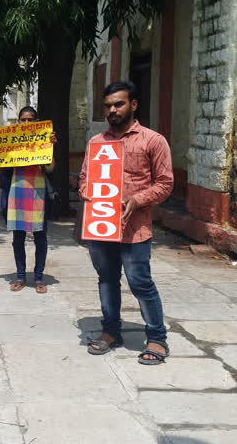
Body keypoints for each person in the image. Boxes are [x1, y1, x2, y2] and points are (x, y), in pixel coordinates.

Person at [79, 81, 173, 365]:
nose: (112, 110)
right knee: (107, 280)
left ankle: (157, 338)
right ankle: (111, 332)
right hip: (101, 227)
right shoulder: (96, 143)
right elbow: (84, 180)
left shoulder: (152, 140)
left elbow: (166, 183)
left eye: (118, 104)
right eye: (108, 105)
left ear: (133, 105)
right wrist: (88, 193)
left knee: (140, 283)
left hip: (136, 229)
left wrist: (138, 199)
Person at [0, 106, 57, 293]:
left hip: (37, 193)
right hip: (16, 192)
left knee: (40, 236)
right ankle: (21, 276)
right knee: (18, 237)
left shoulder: (44, 141)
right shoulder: (12, 142)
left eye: (30, 120)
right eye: (22, 120)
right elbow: (1, 165)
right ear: (18, 122)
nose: (26, 123)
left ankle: (39, 277)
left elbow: (50, 168)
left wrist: (51, 146)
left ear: (36, 122)